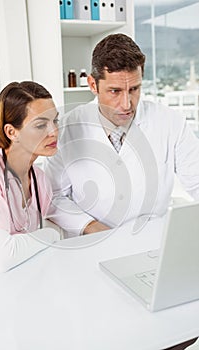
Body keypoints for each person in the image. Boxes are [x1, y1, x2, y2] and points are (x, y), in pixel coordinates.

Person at [44, 34, 199, 349]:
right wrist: (97, 230)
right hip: (89, 254)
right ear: (92, 84)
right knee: (101, 334)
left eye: (134, 89)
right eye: (114, 91)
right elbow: (54, 198)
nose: (126, 103)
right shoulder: (68, 129)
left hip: (153, 253)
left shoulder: (170, 122)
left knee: (169, 333)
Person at [0, 81, 61, 272]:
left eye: (55, 121)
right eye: (41, 125)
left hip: (18, 282)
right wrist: (52, 234)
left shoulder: (40, 180)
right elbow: (3, 257)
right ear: (11, 132)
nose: (54, 132)